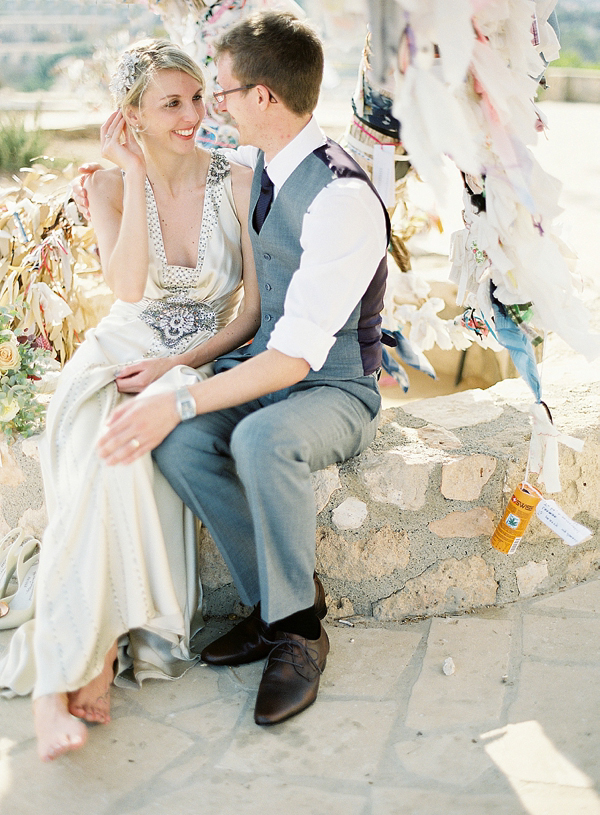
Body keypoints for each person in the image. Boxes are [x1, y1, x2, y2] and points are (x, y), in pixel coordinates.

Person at [95, 10, 390, 727]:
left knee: (257, 439)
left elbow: (295, 357)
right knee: (185, 442)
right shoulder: (264, 173)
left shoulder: (341, 197)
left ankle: (299, 635)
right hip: (268, 368)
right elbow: (257, 323)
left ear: (263, 98)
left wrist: (182, 397)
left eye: (220, 91)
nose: (211, 106)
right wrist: (180, 396)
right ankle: (279, 600)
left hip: (334, 387)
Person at [0, 39, 259, 761]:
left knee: (123, 453)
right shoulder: (111, 187)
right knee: (93, 449)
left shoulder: (237, 182)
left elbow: (249, 316)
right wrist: (136, 175)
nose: (193, 115)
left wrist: (176, 364)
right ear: (131, 117)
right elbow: (123, 292)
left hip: (189, 361)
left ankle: (77, 661)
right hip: (116, 352)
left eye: (199, 97)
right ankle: (85, 661)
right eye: (170, 103)